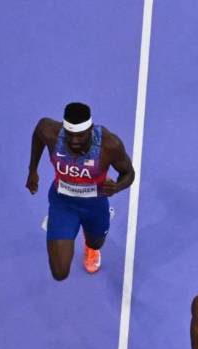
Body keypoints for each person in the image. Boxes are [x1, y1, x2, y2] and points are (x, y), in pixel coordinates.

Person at [26, 102, 135, 279]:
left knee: (96, 243)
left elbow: (129, 173)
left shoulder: (109, 145)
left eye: (80, 136)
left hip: (95, 205)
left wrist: (117, 187)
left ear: (91, 129)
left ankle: (91, 243)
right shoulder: (51, 132)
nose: (75, 141)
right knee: (59, 272)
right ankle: (59, 222)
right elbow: (38, 133)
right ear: (63, 129)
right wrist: (32, 170)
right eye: (70, 135)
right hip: (63, 203)